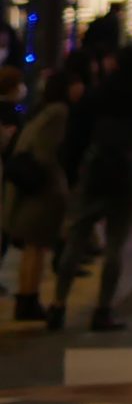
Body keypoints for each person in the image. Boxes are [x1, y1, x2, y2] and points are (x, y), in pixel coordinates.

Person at [53, 47, 132, 332]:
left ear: (112, 63)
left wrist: (71, 173)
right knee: (116, 245)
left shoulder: (95, 95)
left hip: (93, 175)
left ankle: (57, 305)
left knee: (76, 238)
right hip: (125, 178)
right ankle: (103, 310)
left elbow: (74, 138)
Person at [3, 71, 73, 322]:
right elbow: (45, 154)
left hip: (26, 187)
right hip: (40, 190)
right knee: (36, 248)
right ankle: (28, 299)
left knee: (31, 249)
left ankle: (26, 299)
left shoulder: (38, 110)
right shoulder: (58, 113)